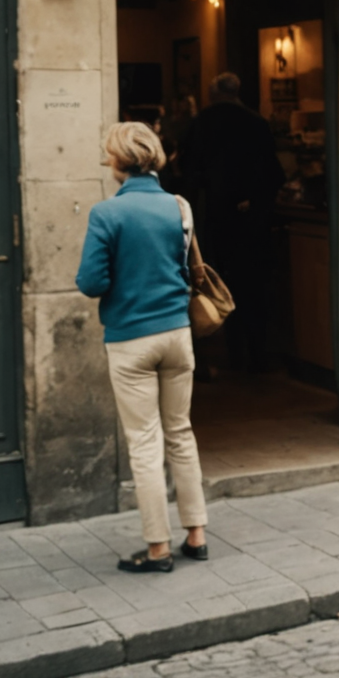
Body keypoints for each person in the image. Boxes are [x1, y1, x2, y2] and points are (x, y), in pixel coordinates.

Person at [77, 122, 209, 574]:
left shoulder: (106, 214)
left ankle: (157, 548)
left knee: (145, 443)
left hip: (131, 338)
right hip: (177, 334)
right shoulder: (179, 206)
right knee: (181, 433)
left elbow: (91, 282)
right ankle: (196, 534)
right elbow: (189, 269)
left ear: (118, 161)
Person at [180, 72, 285, 372]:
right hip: (252, 224)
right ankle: (257, 355)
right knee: (254, 287)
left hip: (214, 219)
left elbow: (189, 173)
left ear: (213, 94)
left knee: (216, 285)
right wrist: (252, 199)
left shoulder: (201, 124)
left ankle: (228, 353)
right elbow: (274, 174)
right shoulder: (256, 123)